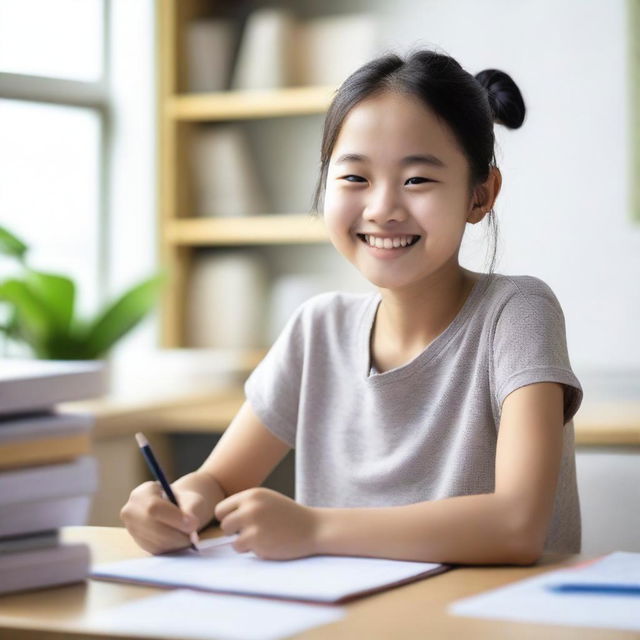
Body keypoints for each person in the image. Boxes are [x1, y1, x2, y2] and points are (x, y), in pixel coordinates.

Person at [121, 49, 583, 565]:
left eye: (417, 180)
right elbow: (219, 480)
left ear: (481, 196)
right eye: (354, 178)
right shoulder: (318, 328)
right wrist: (176, 504)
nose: (382, 208)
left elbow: (516, 527)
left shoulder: (517, 312)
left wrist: (316, 528)